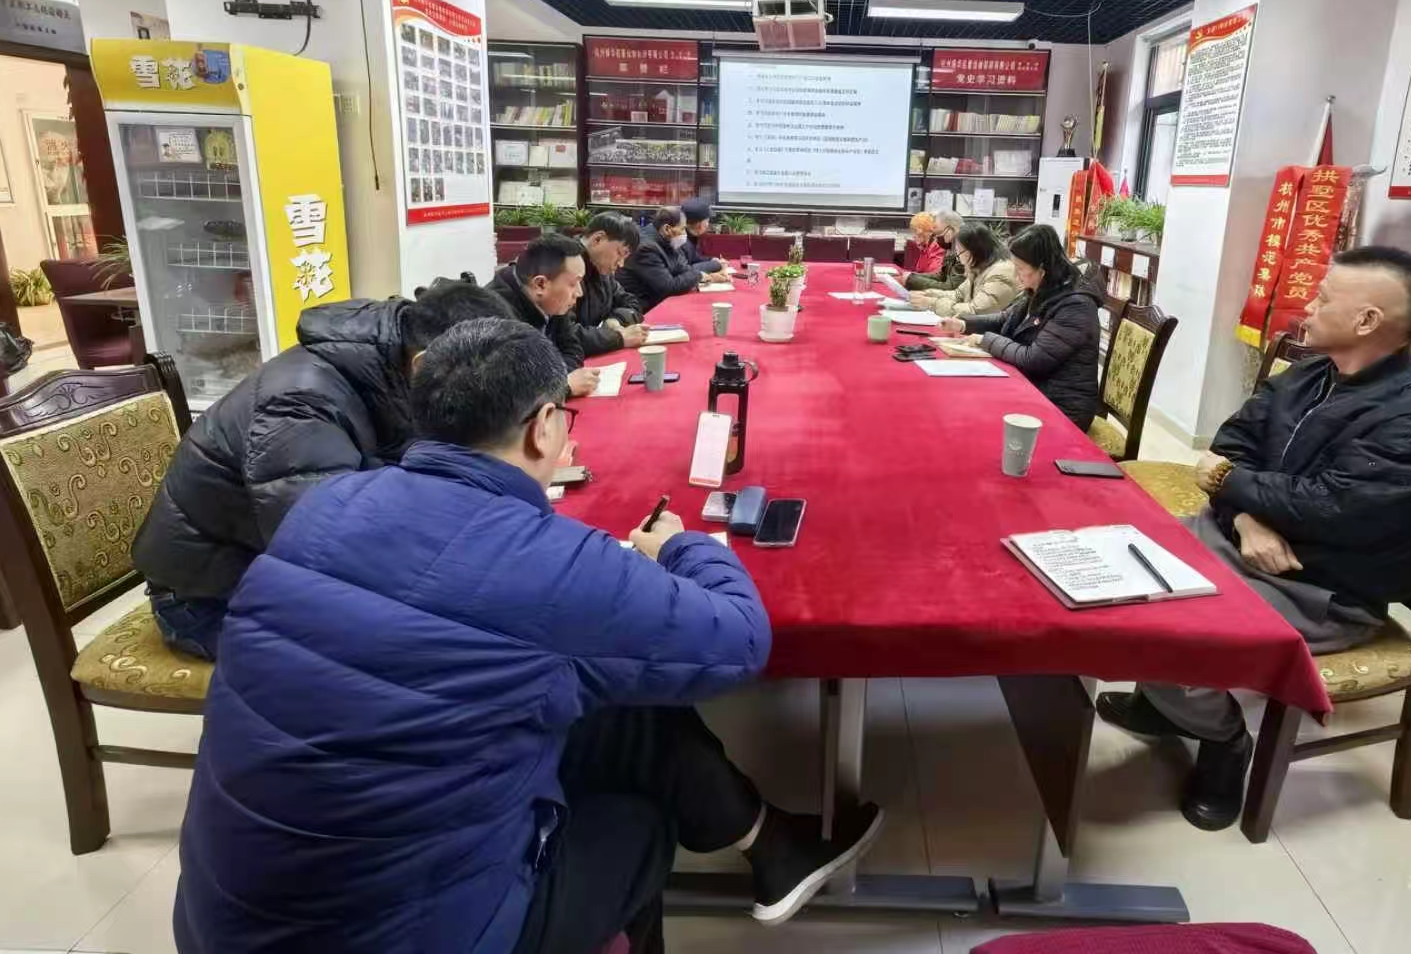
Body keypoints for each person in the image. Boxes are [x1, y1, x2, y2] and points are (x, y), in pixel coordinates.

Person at [172, 320, 884, 952]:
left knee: (620, 708)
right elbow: (741, 639)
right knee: (638, 824)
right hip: (412, 933)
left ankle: (774, 845)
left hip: (223, 920)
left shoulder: (329, 501)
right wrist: (681, 546)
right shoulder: (553, 565)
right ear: (545, 426)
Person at [1096, 246, 1411, 832]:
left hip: (1320, 587)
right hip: (1240, 540)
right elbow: (1232, 444)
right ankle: (1164, 703)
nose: (1308, 305)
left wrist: (1226, 481)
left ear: (1367, 321)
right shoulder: (1310, 374)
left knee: (1170, 630)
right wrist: (1245, 517)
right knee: (1110, 572)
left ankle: (1223, 741)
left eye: (1323, 298)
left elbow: (1329, 507)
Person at [131, 280, 514, 660]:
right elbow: (321, 545)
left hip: (269, 569)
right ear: (425, 364)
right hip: (207, 600)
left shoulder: (389, 371)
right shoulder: (299, 404)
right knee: (432, 656)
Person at [939, 224, 1099, 429]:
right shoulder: (1042, 289)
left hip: (1061, 407)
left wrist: (985, 340)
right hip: (1034, 388)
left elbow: (1033, 359)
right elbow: (1007, 318)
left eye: (1021, 269)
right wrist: (963, 324)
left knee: (974, 414)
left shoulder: (1076, 306)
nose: (1016, 276)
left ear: (1042, 269)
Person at [487, 233, 600, 397]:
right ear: (540, 284)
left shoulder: (553, 301)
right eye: (573, 284)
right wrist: (562, 386)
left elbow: (572, 349)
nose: (579, 292)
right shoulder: (495, 317)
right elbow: (507, 391)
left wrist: (555, 379)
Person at [621, 207, 730, 314]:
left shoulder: (666, 240)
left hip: (658, 301)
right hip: (642, 309)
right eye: (682, 229)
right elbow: (668, 287)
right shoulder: (646, 249)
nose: (684, 233)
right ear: (667, 229)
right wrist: (700, 276)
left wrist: (711, 273)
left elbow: (683, 268)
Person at [574, 212, 650, 355]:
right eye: (620, 253)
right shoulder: (564, 267)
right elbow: (563, 334)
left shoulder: (602, 270)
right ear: (598, 239)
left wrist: (615, 320)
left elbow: (632, 303)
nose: (621, 264)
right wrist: (618, 337)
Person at [910, 221, 1020, 319]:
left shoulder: (1000, 274)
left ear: (974, 251)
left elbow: (975, 312)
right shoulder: (978, 269)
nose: (958, 257)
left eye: (960, 252)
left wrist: (932, 304)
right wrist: (927, 294)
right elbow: (958, 295)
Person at [904, 209, 965, 292]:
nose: (936, 239)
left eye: (938, 234)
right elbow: (942, 276)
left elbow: (951, 288)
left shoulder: (963, 252)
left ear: (951, 229)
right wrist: (912, 277)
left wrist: (913, 280)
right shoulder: (951, 248)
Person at [677, 197, 730, 276]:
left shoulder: (689, 236)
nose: (708, 224)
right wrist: (717, 265)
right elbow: (686, 270)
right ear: (700, 225)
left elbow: (693, 257)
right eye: (707, 221)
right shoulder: (680, 241)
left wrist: (711, 259)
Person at [906, 211, 946, 276]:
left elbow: (934, 274)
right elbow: (919, 270)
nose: (913, 236)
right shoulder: (925, 246)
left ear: (923, 231)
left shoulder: (937, 246)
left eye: (915, 231)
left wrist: (911, 277)